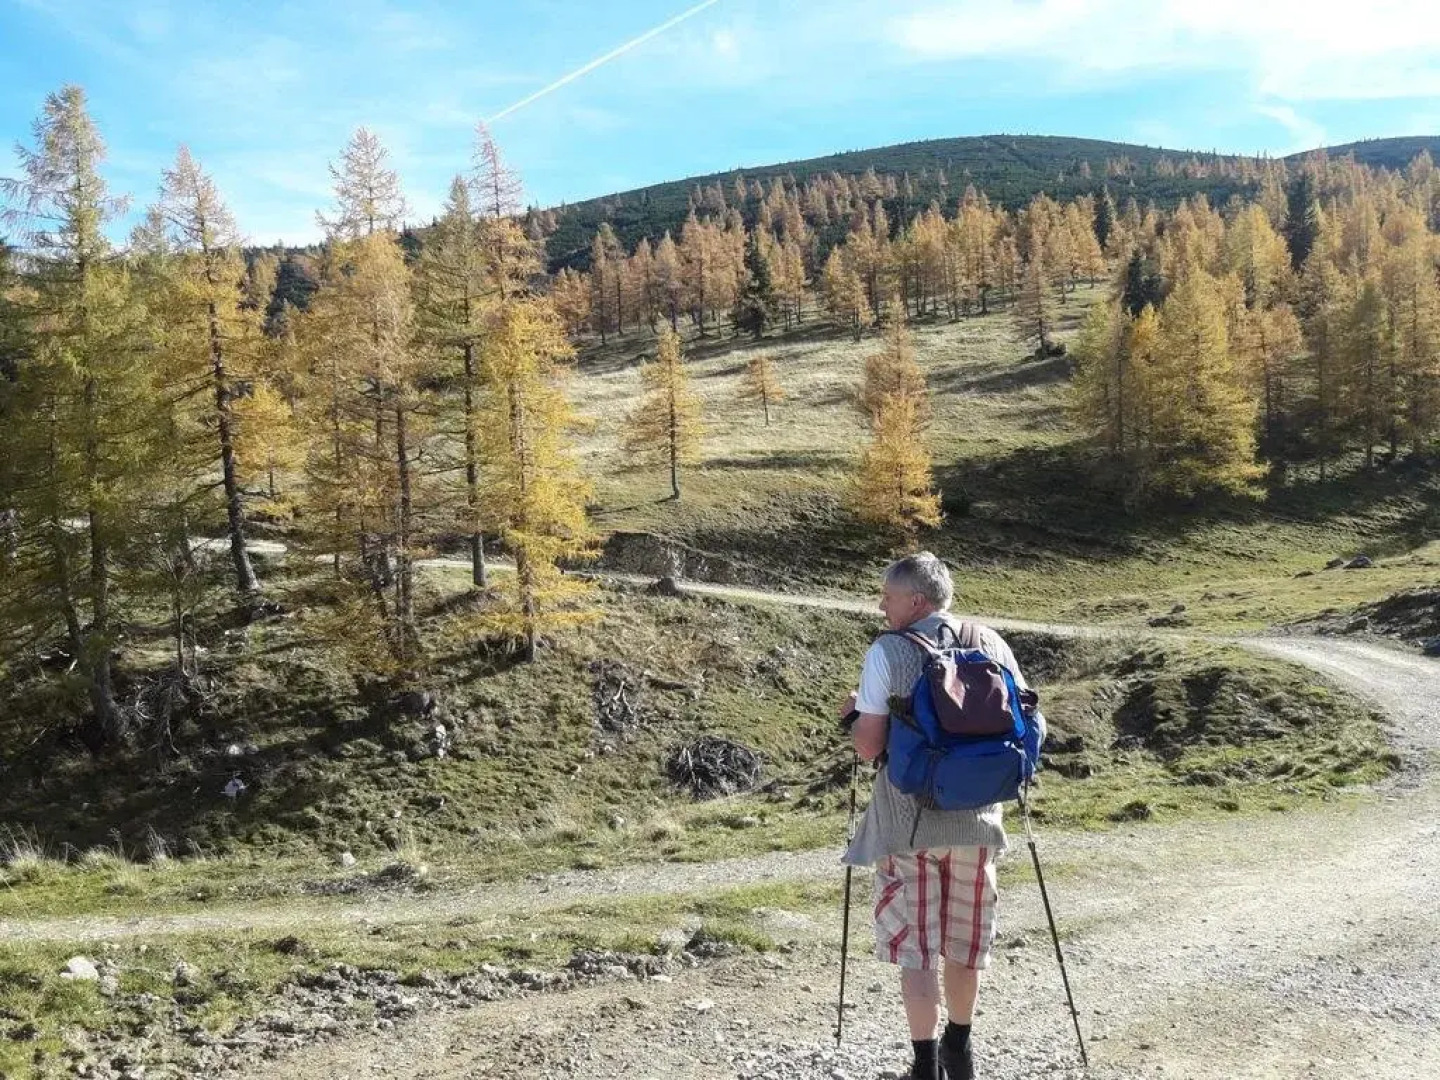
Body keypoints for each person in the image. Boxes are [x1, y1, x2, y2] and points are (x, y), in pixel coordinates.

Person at [838, 552, 1041, 1080]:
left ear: (917, 601)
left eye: (889, 595)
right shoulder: (991, 642)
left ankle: (925, 1065)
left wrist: (852, 717)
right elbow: (1031, 721)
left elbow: (868, 747)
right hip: (979, 821)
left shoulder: (890, 651)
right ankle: (961, 1049)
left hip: (908, 824)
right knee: (966, 941)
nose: (882, 605)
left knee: (918, 951)